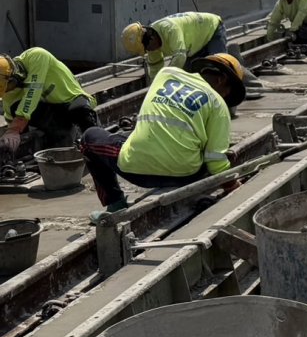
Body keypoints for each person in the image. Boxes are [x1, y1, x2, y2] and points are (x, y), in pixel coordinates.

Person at [78, 53, 246, 220]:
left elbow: (156, 59)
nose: (225, 97)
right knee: (213, 149)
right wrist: (233, 186)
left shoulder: (166, 74)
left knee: (88, 137)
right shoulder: (218, 104)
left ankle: (115, 203)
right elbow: (216, 162)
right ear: (222, 79)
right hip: (185, 175)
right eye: (228, 92)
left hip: (138, 171)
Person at [0, 48, 97, 153]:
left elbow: (32, 92)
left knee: (81, 112)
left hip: (71, 102)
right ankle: (57, 149)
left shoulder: (37, 56)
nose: (7, 92)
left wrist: (15, 128)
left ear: (13, 78)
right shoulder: (9, 92)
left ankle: (97, 147)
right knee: (16, 108)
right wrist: (11, 136)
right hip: (53, 112)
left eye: (7, 88)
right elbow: (10, 114)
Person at [121, 11, 226, 78]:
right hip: (194, 46)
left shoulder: (170, 29)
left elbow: (180, 57)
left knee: (218, 69)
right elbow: (155, 70)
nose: (149, 51)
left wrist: (166, 78)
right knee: (189, 79)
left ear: (151, 38)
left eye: (147, 48)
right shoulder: (151, 46)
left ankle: (231, 107)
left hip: (212, 29)